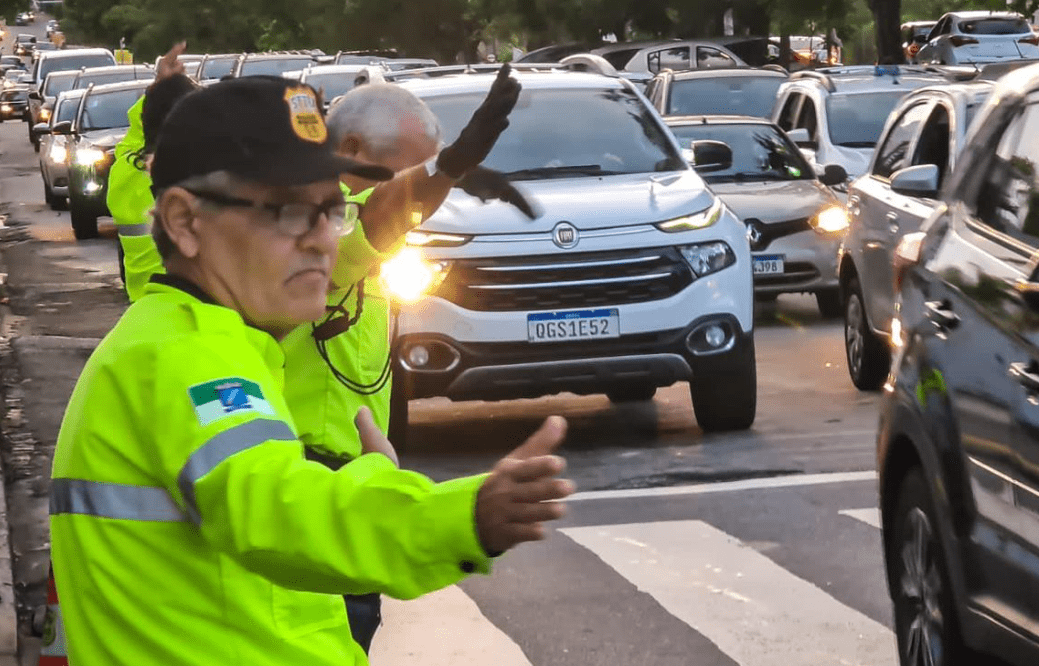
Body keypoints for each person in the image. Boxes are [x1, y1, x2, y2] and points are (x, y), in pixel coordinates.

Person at [49, 75, 574, 665]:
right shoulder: (187, 357)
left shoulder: (202, 342)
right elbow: (274, 511)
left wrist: (371, 477)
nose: (323, 240)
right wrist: (464, 516)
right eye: (289, 212)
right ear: (186, 223)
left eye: (330, 211)